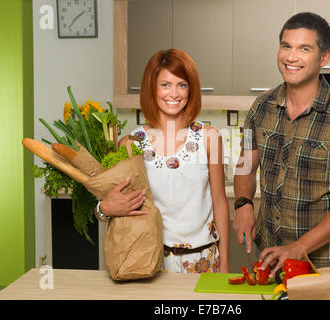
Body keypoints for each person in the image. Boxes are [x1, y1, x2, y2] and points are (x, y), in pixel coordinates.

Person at [233, 12, 330, 275]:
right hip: (267, 258)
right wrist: (243, 204)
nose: (291, 56)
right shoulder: (260, 107)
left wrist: (298, 248)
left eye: (304, 49)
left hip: (321, 266)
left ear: (324, 57)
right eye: (286, 46)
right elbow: (245, 165)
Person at [97, 48, 230, 273]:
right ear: (152, 88)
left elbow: (219, 202)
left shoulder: (209, 138)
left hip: (204, 259)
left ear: (191, 89)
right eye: (165, 85)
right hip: (151, 259)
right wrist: (103, 208)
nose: (174, 93)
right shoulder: (131, 143)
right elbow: (120, 206)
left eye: (182, 84)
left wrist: (225, 262)